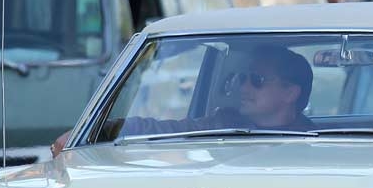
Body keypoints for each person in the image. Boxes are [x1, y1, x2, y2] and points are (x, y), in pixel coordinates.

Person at [51, 44, 314, 155]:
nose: (244, 86)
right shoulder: (222, 123)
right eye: (242, 78)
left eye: (257, 80)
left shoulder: (314, 145)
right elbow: (160, 130)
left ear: (290, 93)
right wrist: (97, 131)